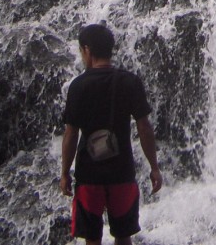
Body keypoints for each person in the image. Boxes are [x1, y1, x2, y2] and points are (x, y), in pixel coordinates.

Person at [60, 23, 163, 245]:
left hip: (89, 174)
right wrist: (154, 167)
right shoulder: (129, 81)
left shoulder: (78, 86)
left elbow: (71, 134)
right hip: (122, 171)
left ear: (87, 50)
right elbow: (144, 127)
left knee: (92, 238)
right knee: (124, 235)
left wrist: (65, 172)